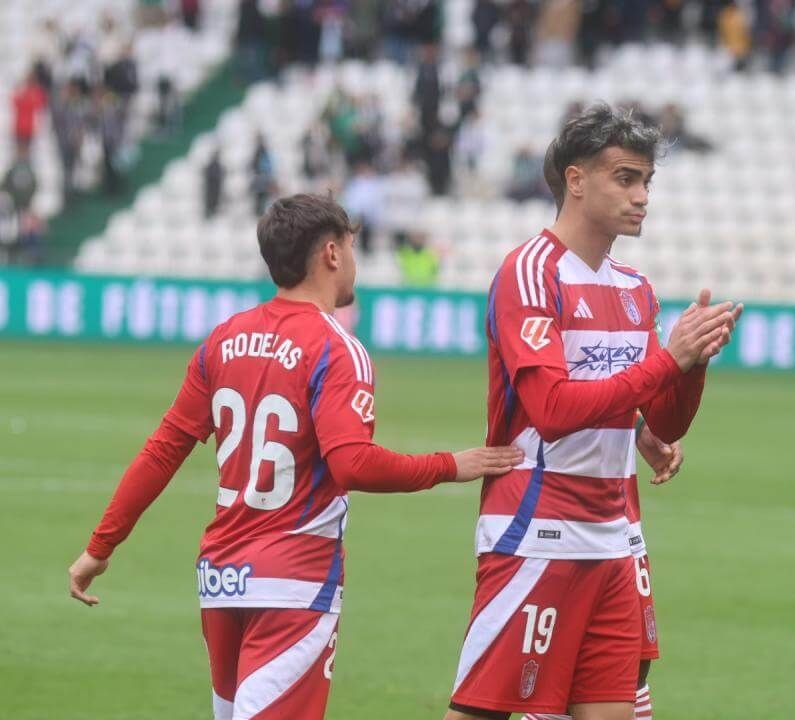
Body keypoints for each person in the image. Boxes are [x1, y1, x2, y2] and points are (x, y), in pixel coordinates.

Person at [68, 194, 524, 720]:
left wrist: (100, 547)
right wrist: (449, 465)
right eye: (351, 248)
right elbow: (353, 464)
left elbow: (162, 451)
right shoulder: (336, 348)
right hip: (293, 582)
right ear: (331, 253)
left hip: (222, 581)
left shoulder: (223, 339)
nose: (354, 261)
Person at [444, 104, 740, 720]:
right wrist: (668, 361)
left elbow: (664, 422)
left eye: (646, 182)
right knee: (484, 710)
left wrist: (693, 364)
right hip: (536, 531)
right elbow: (552, 410)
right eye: (625, 178)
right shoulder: (531, 273)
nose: (642, 197)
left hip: (612, 536)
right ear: (576, 180)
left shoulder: (634, 287)